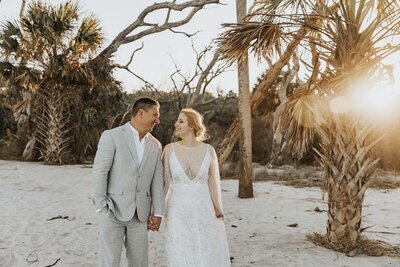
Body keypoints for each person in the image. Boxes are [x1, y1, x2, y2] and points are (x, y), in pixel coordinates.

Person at [92, 97, 164, 267]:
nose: (157, 120)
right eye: (155, 114)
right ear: (141, 113)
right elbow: (100, 173)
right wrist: (102, 207)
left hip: (141, 215)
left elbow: (157, 181)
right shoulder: (112, 136)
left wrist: (158, 212)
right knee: (109, 262)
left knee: (139, 263)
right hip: (112, 211)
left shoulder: (156, 145)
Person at [162, 108, 231, 267]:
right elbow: (166, 184)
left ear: (192, 125)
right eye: (177, 120)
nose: (175, 124)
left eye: (180, 121)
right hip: (177, 212)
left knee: (204, 252)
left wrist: (217, 208)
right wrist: (157, 211)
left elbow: (213, 183)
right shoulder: (169, 149)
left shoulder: (209, 150)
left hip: (203, 211)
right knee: (179, 252)